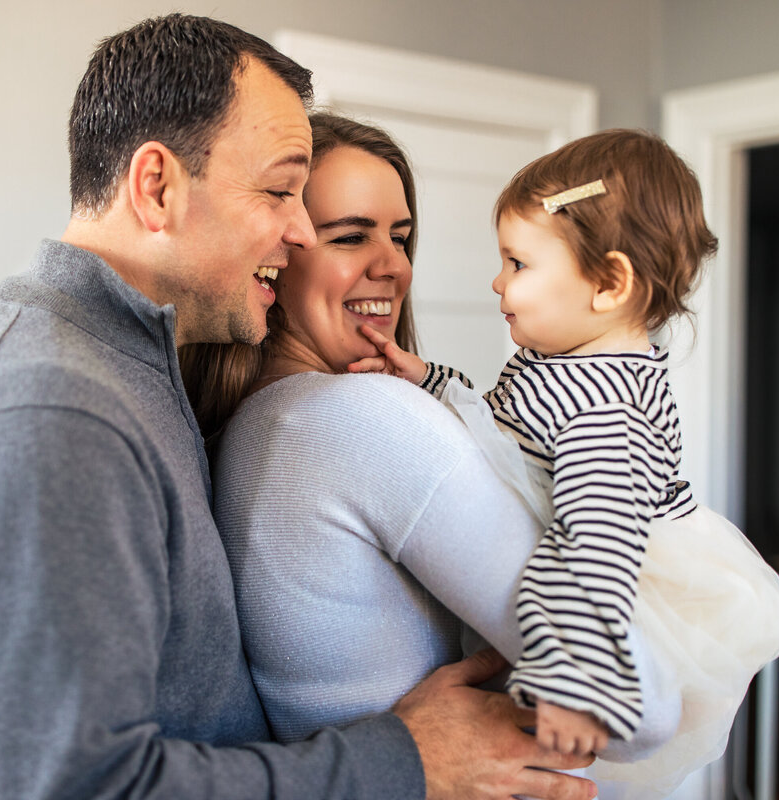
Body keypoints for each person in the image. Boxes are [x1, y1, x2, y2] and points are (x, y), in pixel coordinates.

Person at [0, 15, 596, 800]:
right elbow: (78, 788)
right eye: (281, 190)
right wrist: (406, 760)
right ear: (157, 187)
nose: (299, 230)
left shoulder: (132, 364)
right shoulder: (50, 413)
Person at [183, 114, 683, 793]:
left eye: (402, 235)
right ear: (282, 249)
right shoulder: (365, 421)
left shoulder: (241, 430)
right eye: (352, 235)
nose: (393, 265)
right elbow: (644, 713)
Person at [360, 128, 779, 798]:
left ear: (610, 283)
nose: (497, 280)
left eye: (519, 264)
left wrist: (575, 682)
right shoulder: (565, 364)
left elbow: (596, 554)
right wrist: (427, 378)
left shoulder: (606, 416)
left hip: (612, 598)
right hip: (590, 572)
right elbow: (502, 426)